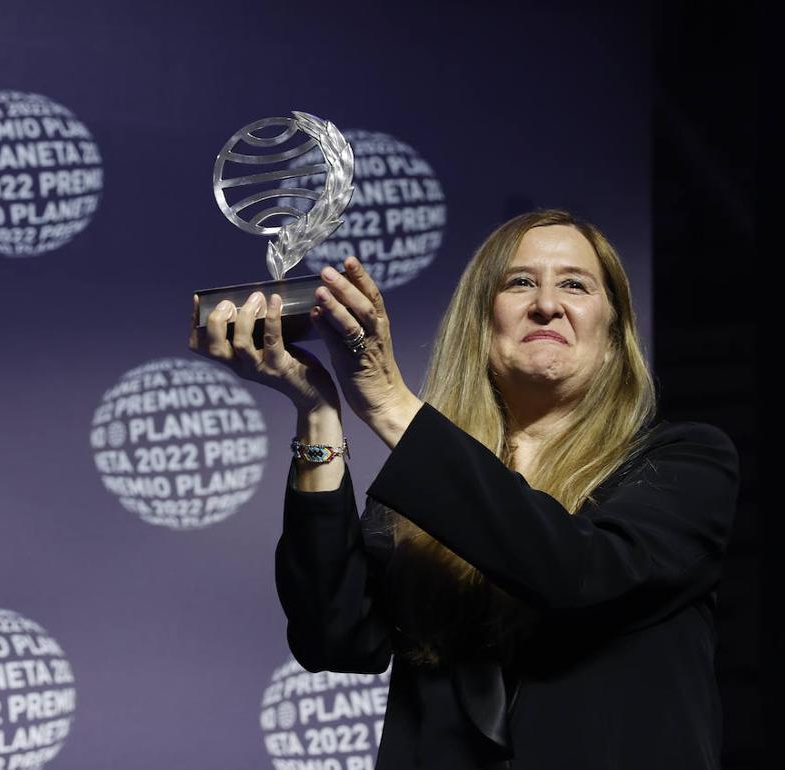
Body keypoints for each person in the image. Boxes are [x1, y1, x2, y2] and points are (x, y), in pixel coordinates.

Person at [189, 209, 740, 769]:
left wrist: (390, 404)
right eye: (519, 282)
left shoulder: (684, 462)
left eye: (574, 284)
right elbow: (334, 637)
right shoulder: (426, 488)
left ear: (614, 334)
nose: (546, 304)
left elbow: (580, 571)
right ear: (481, 322)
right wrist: (318, 412)